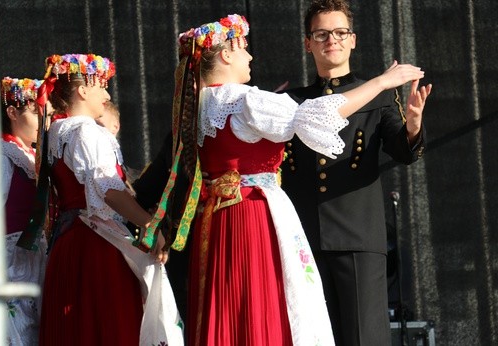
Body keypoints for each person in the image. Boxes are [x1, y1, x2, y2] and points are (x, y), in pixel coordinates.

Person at [133, 13, 425, 346]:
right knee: (259, 310)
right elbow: (318, 114)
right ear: (226, 54)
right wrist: (381, 82)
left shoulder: (197, 107)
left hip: (215, 222)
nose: (251, 56)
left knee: (231, 309)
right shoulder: (244, 101)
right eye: (243, 48)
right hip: (251, 218)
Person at [280, 1, 433, 345]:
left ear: (353, 40)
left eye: (339, 32)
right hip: (302, 239)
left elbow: (402, 149)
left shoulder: (377, 94)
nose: (330, 40)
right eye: (321, 34)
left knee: (365, 337)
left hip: (358, 239)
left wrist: (413, 125)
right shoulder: (292, 100)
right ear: (308, 43)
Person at [35, 53, 183, 345]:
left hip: (68, 245)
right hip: (97, 246)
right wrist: (150, 225)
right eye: (101, 85)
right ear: (82, 89)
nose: (106, 94)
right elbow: (109, 191)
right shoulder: (87, 131)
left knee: (78, 328)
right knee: (109, 325)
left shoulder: (55, 133)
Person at [0, 76, 47, 346]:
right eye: (34, 112)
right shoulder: (1, 155)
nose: (42, 119)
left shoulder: (33, 156)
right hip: (10, 261)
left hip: (36, 259)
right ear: (12, 112)